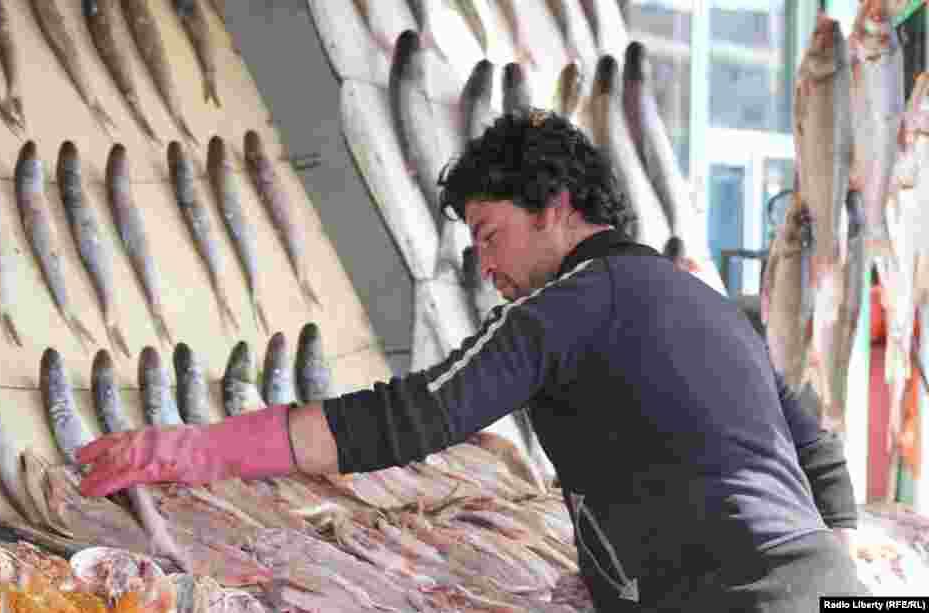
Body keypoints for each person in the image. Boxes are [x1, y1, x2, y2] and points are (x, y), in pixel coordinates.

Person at [76, 110, 869, 611]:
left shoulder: (563, 308)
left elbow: (407, 416)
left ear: (557, 209)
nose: (486, 266)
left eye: (491, 234)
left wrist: (188, 450)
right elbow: (823, 460)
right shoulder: (709, 304)